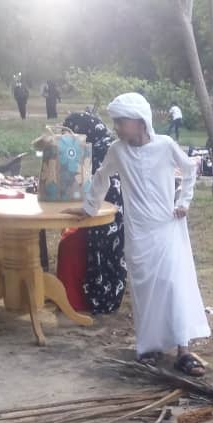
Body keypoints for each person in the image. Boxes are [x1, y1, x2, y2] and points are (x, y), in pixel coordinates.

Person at [66, 93, 209, 375]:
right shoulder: (117, 150)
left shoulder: (165, 145)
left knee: (174, 286)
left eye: (121, 122)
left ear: (140, 121)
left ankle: (184, 351)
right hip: (138, 232)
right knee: (145, 291)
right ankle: (149, 348)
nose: (117, 127)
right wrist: (88, 208)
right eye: (116, 122)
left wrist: (183, 201)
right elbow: (101, 177)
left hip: (167, 228)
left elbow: (189, 169)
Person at [62, 110, 127, 314]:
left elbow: (101, 191)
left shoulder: (102, 153)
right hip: (100, 212)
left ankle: (91, 297)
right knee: (69, 241)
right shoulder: (98, 146)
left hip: (108, 218)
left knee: (70, 245)